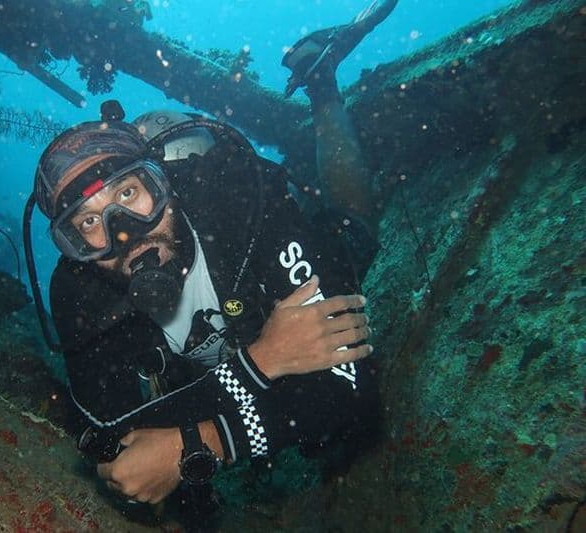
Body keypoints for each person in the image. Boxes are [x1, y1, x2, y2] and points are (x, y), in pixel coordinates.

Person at [32, 0, 397, 515]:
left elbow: (351, 388)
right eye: (89, 224)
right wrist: (263, 361)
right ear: (74, 248)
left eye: (130, 195)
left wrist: (201, 442)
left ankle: (321, 85)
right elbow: (112, 439)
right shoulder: (79, 291)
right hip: (243, 360)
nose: (124, 233)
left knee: (358, 230)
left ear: (164, 185)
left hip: (276, 279)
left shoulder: (236, 199)